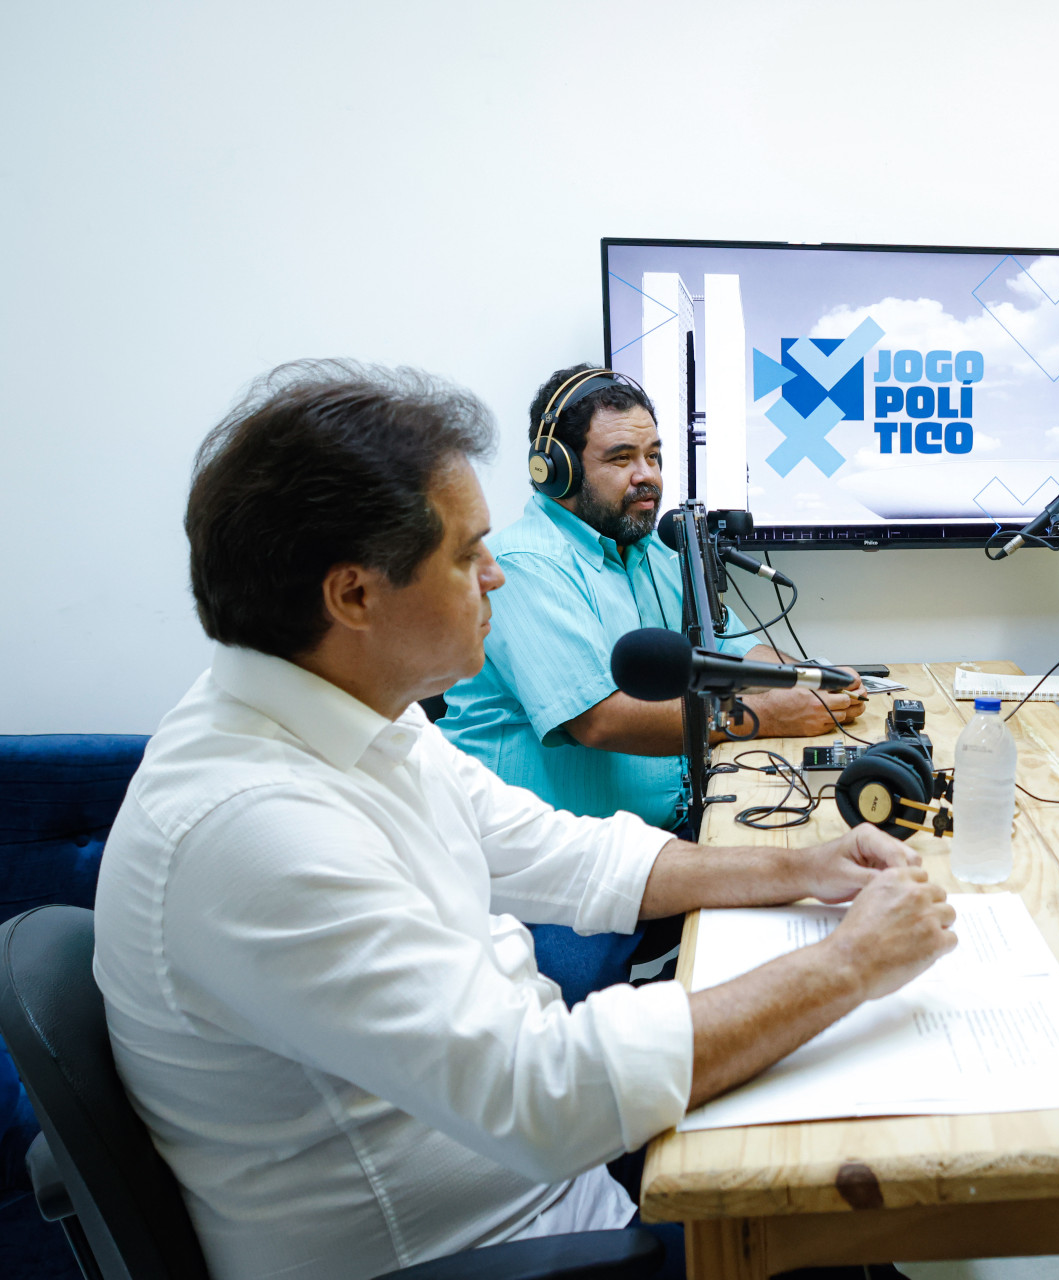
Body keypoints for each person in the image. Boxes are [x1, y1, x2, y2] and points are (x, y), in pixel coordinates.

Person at [92, 361, 956, 1280]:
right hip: (511, 1248)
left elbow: (561, 854)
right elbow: (540, 1095)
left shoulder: (344, 710)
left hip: (548, 1186)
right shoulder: (252, 830)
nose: (497, 576)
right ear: (353, 596)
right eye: (468, 556)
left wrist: (803, 868)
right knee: (849, 1223)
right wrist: (847, 964)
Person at [437, 364, 865, 835]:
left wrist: (808, 679)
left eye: (653, 456)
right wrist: (767, 714)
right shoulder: (526, 564)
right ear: (557, 471)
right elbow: (601, 721)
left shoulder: (653, 550)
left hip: (664, 834)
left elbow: (730, 648)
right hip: (547, 862)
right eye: (622, 459)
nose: (648, 477)